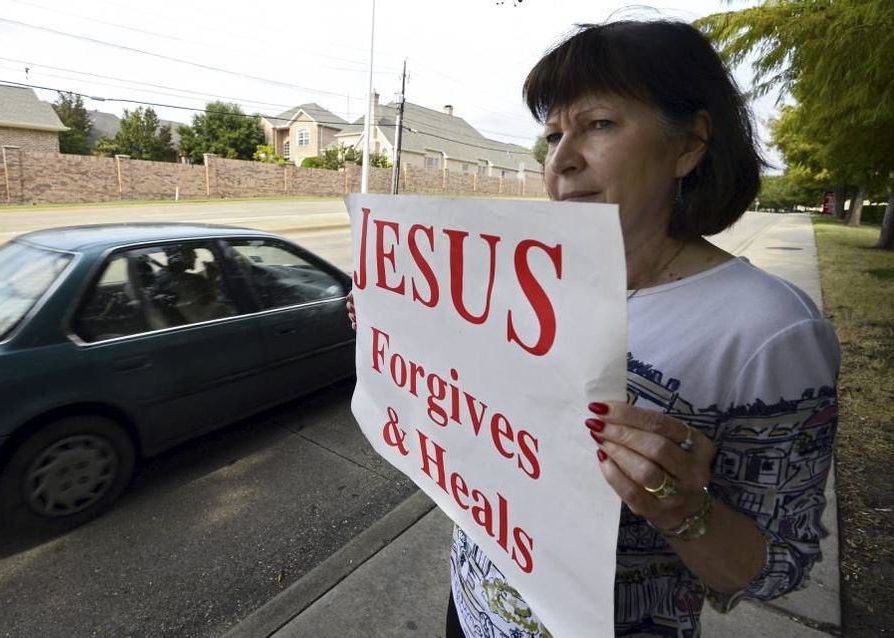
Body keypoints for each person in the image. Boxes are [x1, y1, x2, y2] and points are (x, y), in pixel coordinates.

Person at [348, 19, 840, 637]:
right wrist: (398, 330)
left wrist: (685, 509)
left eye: (599, 125)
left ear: (688, 144)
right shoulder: (515, 280)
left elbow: (777, 569)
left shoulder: (769, 331)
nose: (562, 160)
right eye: (553, 135)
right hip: (469, 610)